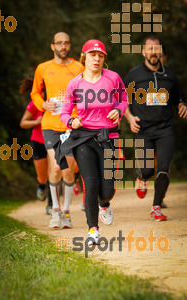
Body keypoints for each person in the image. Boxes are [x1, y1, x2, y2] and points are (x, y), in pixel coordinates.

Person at [59, 39, 128, 244]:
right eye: (92, 55)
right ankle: (93, 230)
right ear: (84, 57)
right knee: (90, 182)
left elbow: (124, 98)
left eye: (100, 56)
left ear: (104, 58)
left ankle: (104, 204)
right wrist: (72, 120)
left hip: (108, 137)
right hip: (84, 137)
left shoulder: (113, 78)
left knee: (106, 191)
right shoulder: (75, 83)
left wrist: (119, 110)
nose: (96, 59)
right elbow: (64, 112)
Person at [124, 35, 187, 221]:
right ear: (144, 52)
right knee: (147, 170)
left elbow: (179, 97)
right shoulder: (133, 74)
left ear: (161, 52)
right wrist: (129, 117)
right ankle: (142, 177)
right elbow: (122, 101)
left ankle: (156, 206)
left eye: (157, 49)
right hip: (143, 129)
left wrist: (182, 104)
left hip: (165, 128)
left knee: (163, 168)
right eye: (150, 49)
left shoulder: (170, 75)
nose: (153, 52)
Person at [31, 32, 84, 229]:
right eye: (59, 43)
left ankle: (67, 212)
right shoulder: (43, 68)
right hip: (51, 125)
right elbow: (35, 92)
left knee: (68, 171)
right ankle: (55, 211)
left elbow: (87, 90)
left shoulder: (79, 67)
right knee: (55, 167)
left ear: (70, 46)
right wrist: (42, 104)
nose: (63, 46)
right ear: (52, 46)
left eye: (66, 43)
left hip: (72, 125)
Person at [19, 77, 52, 211]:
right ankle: (41, 185)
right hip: (38, 140)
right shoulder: (34, 104)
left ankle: (51, 205)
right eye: (43, 90)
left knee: (53, 172)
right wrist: (36, 122)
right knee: (42, 175)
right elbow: (23, 123)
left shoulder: (56, 103)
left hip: (53, 140)